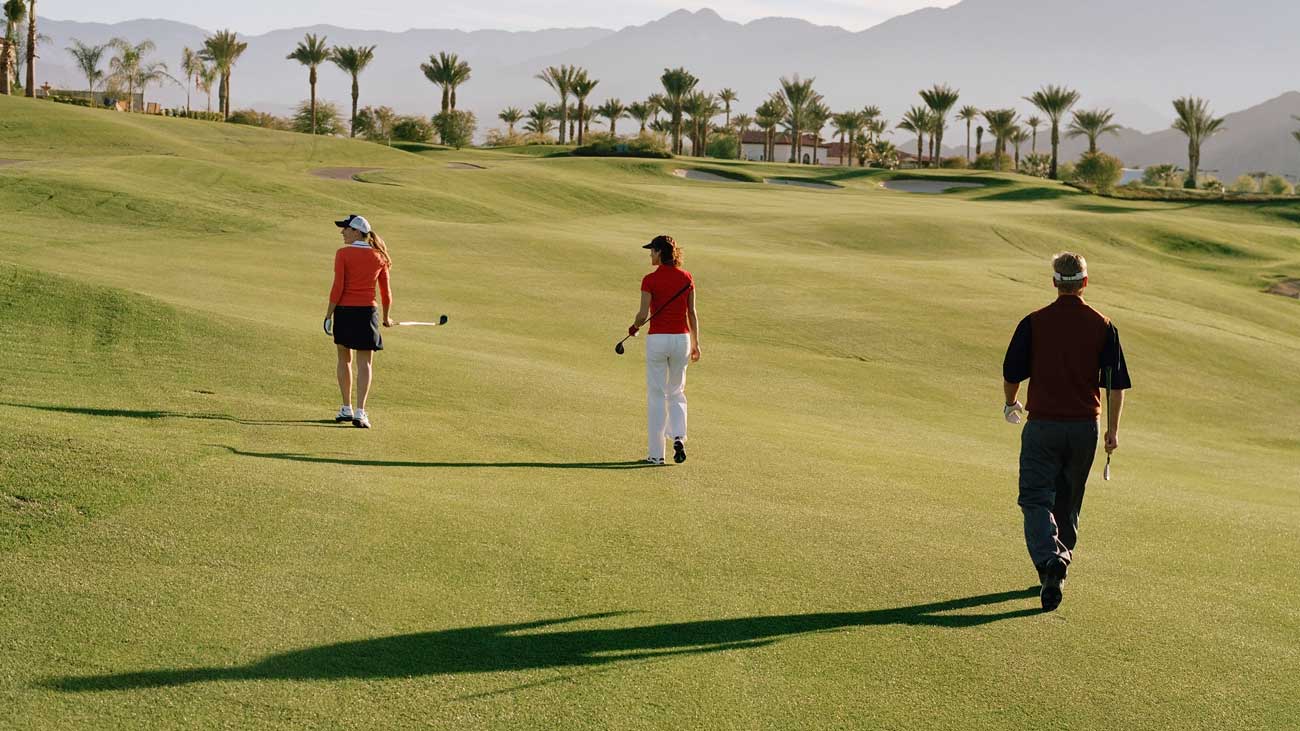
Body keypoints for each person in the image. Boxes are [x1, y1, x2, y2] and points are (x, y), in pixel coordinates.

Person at [1002, 252, 1132, 612]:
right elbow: (1115, 384)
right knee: (1068, 500)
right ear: (1085, 283)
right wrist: (1113, 431)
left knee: (1034, 498)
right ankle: (1058, 565)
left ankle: (1050, 561)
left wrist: (1011, 403)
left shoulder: (1034, 322)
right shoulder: (1103, 325)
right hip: (1084, 428)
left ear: (1055, 283)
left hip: (1042, 424)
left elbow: (1013, 372)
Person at [627, 235, 701, 465]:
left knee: (657, 395)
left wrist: (634, 327)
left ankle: (656, 455)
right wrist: (696, 343)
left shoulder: (650, 279)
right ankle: (679, 437)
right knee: (677, 391)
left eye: (652, 251)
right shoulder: (687, 277)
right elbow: (692, 313)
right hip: (682, 340)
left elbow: (642, 315)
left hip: (658, 340)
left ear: (660, 252)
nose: (650, 254)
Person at [324, 214, 393, 429]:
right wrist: (386, 317)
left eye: (345, 229)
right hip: (367, 313)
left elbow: (338, 287)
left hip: (345, 312)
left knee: (344, 359)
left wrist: (328, 315)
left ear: (356, 232)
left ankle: (347, 408)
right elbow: (386, 293)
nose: (342, 232)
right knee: (365, 363)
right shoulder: (379, 256)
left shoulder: (343, 254)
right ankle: (360, 412)